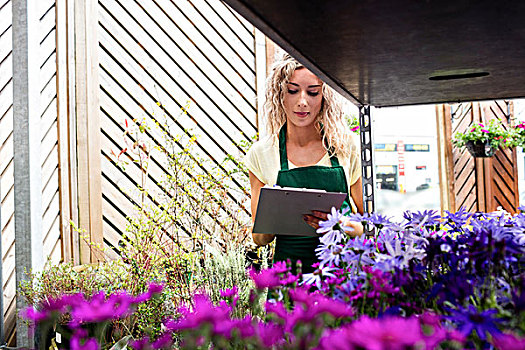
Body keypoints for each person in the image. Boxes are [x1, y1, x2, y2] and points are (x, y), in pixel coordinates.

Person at [244, 54, 364, 273]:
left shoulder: (347, 147)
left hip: (342, 276)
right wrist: (272, 218)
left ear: (324, 97)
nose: (302, 101)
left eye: (312, 92)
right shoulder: (261, 153)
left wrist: (339, 225)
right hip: (288, 279)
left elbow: (371, 225)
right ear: (280, 94)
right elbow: (259, 238)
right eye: (292, 91)